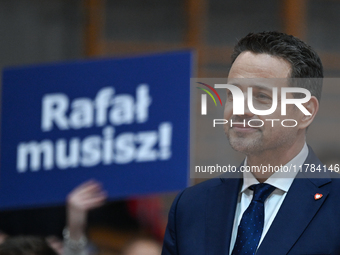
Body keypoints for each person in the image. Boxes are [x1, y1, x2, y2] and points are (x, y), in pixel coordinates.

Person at [162, 31, 340, 255]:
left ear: (305, 112)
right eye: (232, 94)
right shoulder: (190, 207)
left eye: (261, 97)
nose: (240, 110)